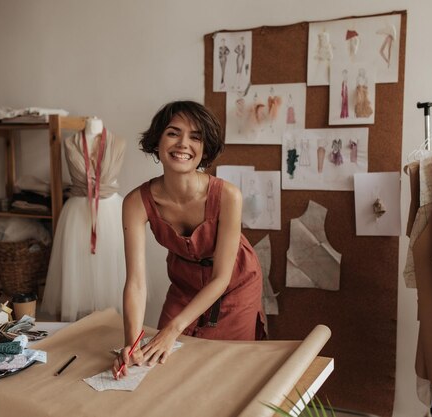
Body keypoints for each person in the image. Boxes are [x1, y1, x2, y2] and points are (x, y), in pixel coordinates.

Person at [113, 101, 266, 378]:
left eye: (195, 137)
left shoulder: (229, 196)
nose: (183, 143)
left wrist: (173, 328)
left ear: (205, 149)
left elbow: (221, 278)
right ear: (157, 140)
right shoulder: (136, 202)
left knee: (228, 371)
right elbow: (135, 282)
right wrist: (132, 343)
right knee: (158, 364)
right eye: (173, 133)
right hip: (184, 283)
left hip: (235, 283)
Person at [41, 117, 126, 322]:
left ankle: (109, 328)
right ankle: (72, 333)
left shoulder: (119, 142)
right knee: (76, 271)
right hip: (78, 212)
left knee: (109, 271)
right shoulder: (70, 143)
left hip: (110, 211)